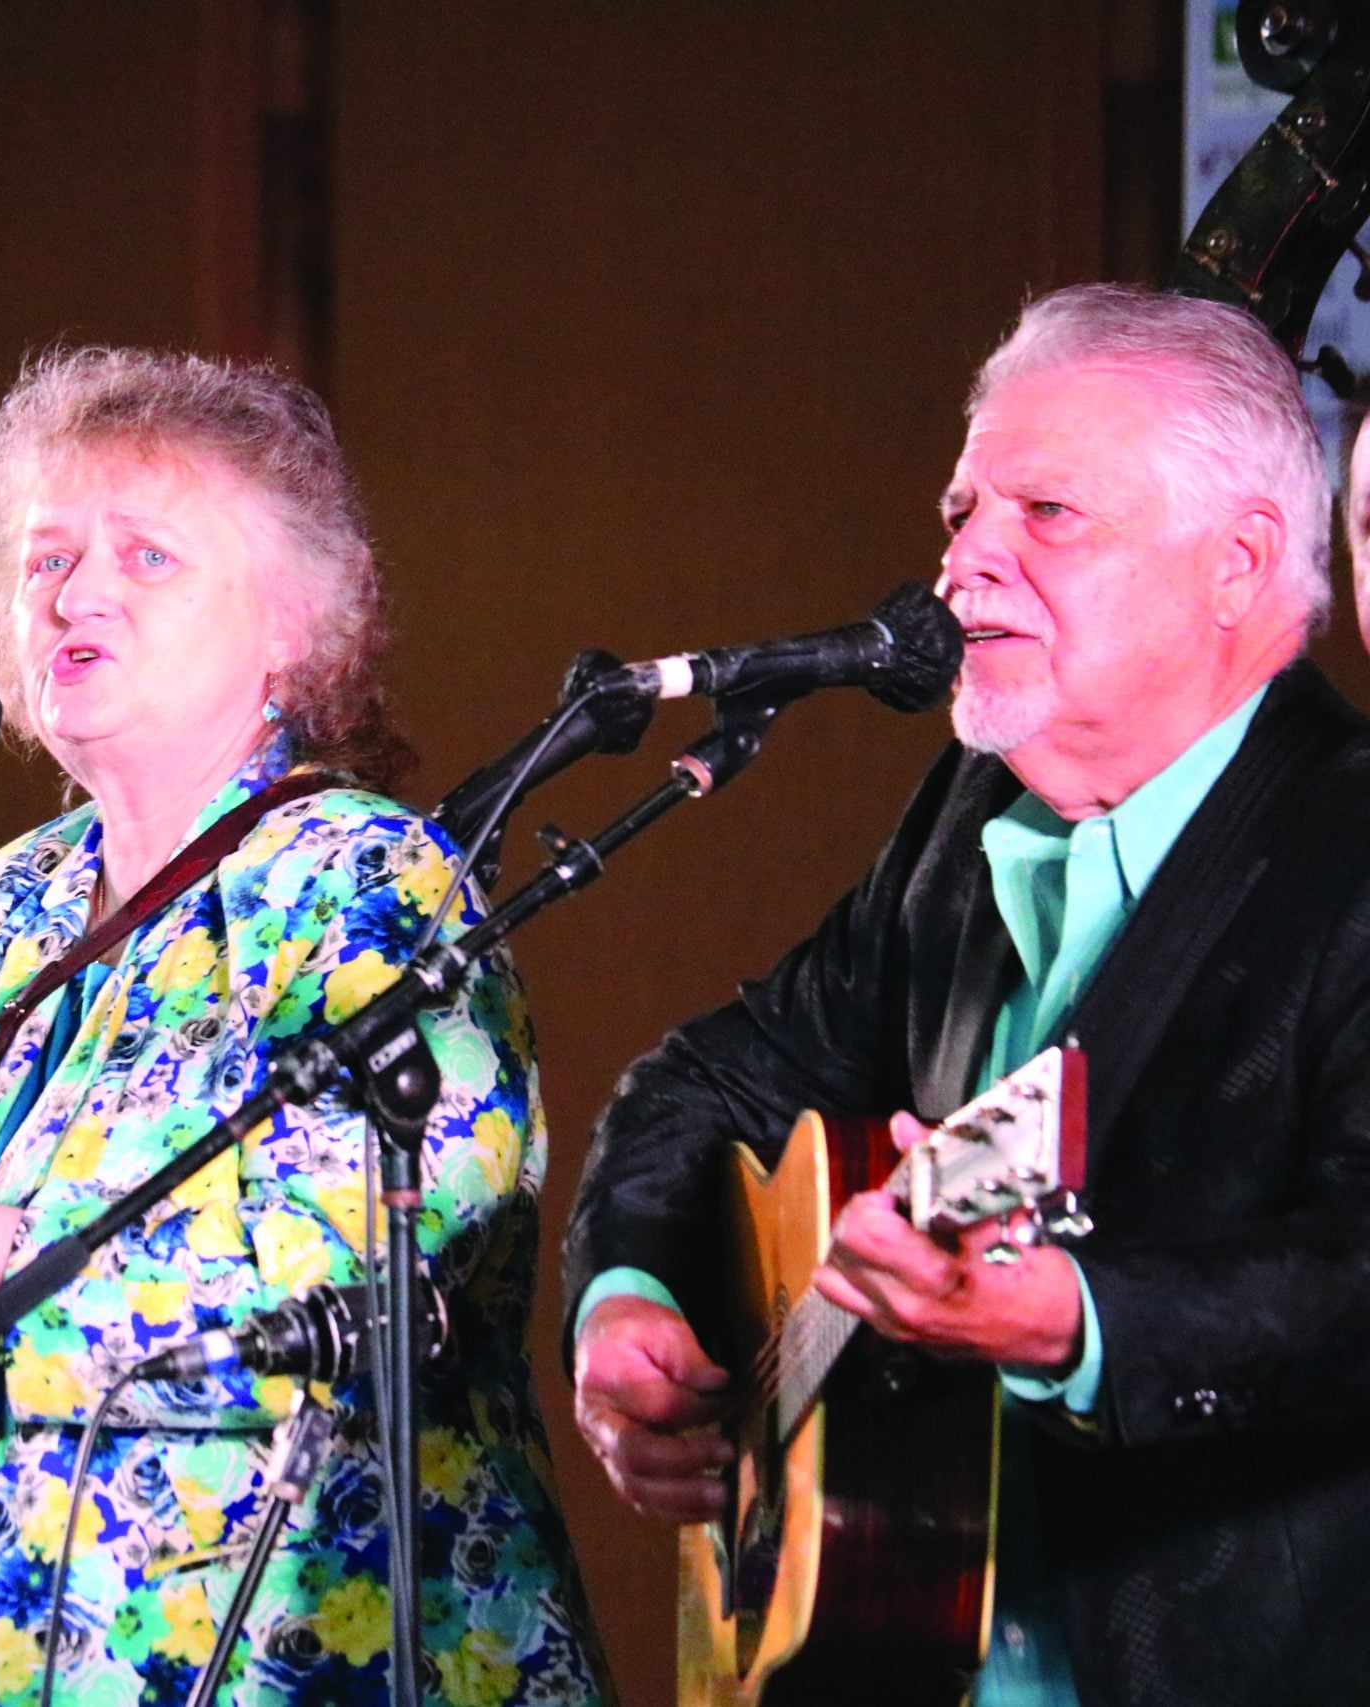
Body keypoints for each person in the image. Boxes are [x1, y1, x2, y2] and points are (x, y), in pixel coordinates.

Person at [0, 348, 608, 1706]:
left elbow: (384, 1262)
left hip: (274, 1645)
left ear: (293, 622)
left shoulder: (362, 879)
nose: (78, 594)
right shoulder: (9, 903)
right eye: (45, 561)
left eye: (146, 557)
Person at [566, 282, 1370, 1706]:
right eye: (960, 513)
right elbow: (713, 1078)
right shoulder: (967, 811)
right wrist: (627, 1297)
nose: (962, 567)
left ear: (1238, 565)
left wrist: (1078, 1318)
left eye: (1046, 516)